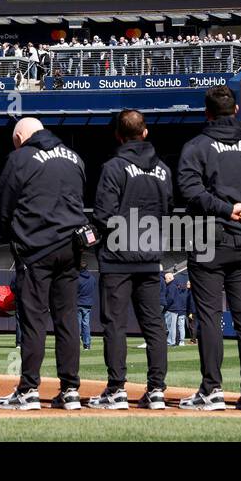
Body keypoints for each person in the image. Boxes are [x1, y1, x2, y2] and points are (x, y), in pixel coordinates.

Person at [177, 85, 241, 411]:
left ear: (208, 113)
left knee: (209, 316)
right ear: (237, 111)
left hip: (208, 237)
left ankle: (212, 390)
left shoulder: (197, 146)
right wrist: (236, 211)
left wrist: (222, 208)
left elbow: (188, 189)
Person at [0, 116, 87, 410]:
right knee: (67, 319)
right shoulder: (74, 156)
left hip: (36, 249)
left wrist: (13, 237)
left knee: (33, 321)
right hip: (71, 247)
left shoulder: (20, 157)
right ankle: (71, 389)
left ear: (20, 138)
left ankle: (29, 390)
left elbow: (4, 204)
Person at [89, 109, 172, 410]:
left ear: (118, 135)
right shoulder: (163, 169)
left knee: (115, 324)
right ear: (145, 132)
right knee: (154, 325)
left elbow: (103, 214)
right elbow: (168, 208)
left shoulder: (114, 167)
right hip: (150, 254)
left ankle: (116, 390)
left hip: (118, 257)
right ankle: (157, 390)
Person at [161, 271, 189, 348]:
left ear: (170, 278)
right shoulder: (173, 285)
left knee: (171, 327)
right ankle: (172, 341)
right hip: (174, 309)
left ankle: (171, 341)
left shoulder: (172, 286)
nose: (165, 280)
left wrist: (165, 306)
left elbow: (170, 298)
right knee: (171, 326)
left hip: (172, 309)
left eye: (165, 278)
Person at [77, 264, 96, 351]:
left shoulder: (77, 278)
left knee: (77, 325)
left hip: (78, 303)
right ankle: (87, 344)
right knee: (86, 325)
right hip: (88, 304)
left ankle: (75, 344)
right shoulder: (92, 278)